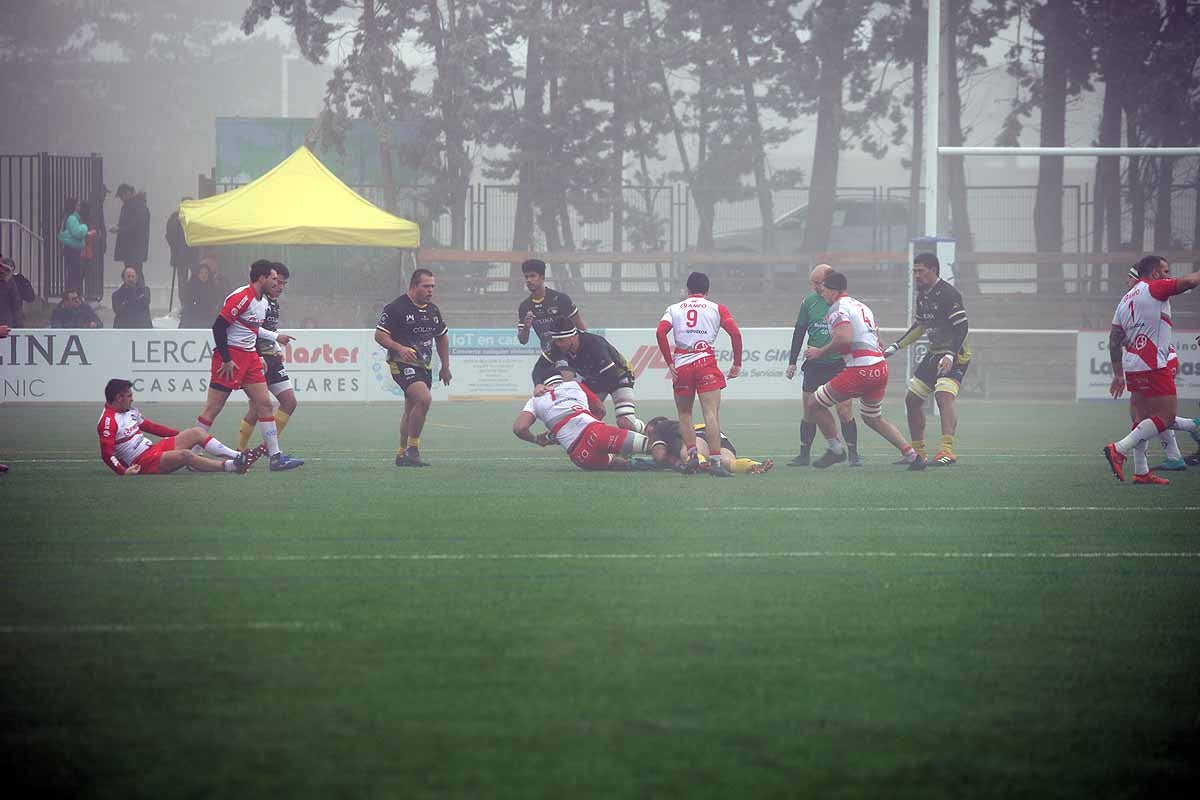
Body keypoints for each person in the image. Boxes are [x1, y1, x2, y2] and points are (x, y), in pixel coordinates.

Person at [804, 271, 925, 469]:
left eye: (824, 289)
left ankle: (835, 449)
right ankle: (913, 456)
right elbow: (878, 339)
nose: (821, 293)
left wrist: (820, 352)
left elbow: (844, 338)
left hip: (860, 370)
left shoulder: (837, 308)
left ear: (834, 291)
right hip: (879, 367)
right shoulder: (861, 306)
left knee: (813, 404)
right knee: (872, 417)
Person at [194, 259, 304, 471]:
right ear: (261, 278)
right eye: (273, 279)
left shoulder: (263, 302)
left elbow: (251, 330)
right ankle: (193, 455)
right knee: (213, 409)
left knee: (264, 405)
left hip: (251, 358)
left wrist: (265, 350)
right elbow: (218, 327)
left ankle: (275, 457)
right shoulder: (241, 297)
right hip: (230, 359)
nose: (277, 283)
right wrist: (226, 359)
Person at [1102, 255, 1200, 484]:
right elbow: (1189, 282)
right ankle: (1119, 448)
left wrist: (1118, 374)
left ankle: (1141, 471)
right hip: (1154, 364)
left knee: (1141, 417)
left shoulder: (1124, 300)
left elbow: (1114, 339)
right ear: (1154, 273)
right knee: (1165, 417)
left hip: (1133, 366)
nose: (1167, 275)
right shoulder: (1153, 288)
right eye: (1165, 271)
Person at [882, 251, 971, 466]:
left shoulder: (949, 294)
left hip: (955, 354)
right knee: (912, 400)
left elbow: (962, 328)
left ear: (933, 270)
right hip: (935, 353)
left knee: (943, 395)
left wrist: (950, 354)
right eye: (914, 271)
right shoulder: (922, 295)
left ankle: (947, 451)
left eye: (920, 271)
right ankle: (918, 454)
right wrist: (896, 346)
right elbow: (920, 326)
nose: (916, 275)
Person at [655, 271, 742, 477]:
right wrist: (736, 363)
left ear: (687, 290)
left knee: (685, 414)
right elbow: (735, 333)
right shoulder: (717, 308)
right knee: (711, 413)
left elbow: (660, 332)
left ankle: (693, 457)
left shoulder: (674, 309)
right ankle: (715, 462)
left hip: (682, 365)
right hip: (705, 363)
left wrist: (669, 362)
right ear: (707, 291)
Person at [99, 378, 261, 476]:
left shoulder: (130, 411)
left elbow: (152, 427)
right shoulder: (108, 421)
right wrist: (123, 471)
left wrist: (182, 435)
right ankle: (232, 467)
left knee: (196, 432)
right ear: (118, 398)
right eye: (129, 396)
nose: (132, 399)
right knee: (185, 456)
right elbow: (107, 454)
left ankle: (238, 456)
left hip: (153, 449)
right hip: (143, 462)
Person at [375, 268, 452, 466]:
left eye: (433, 286)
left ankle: (402, 454)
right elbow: (380, 335)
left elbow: (442, 337)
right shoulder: (396, 308)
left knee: (411, 409)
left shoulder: (432, 310)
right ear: (413, 286)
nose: (431, 291)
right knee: (424, 398)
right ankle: (413, 449)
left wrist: (445, 366)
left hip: (423, 365)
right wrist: (399, 348)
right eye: (426, 286)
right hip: (401, 363)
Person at [786, 263, 861, 466]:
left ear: (829, 281)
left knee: (844, 410)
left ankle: (853, 453)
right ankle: (804, 454)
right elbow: (799, 330)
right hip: (814, 363)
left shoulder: (845, 304)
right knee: (809, 409)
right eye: (813, 283)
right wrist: (792, 361)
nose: (815, 287)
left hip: (838, 362)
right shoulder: (809, 302)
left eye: (818, 283)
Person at [513, 366, 651, 470]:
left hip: (580, 456)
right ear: (560, 378)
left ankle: (628, 461)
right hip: (595, 432)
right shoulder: (575, 385)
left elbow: (520, 428)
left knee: (616, 463)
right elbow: (600, 409)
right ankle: (667, 455)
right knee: (650, 446)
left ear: (542, 384)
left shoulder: (535, 400)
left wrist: (537, 439)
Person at [1122, 265, 1187, 471]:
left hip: (1160, 361)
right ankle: (1173, 456)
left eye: (1129, 278)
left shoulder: (1147, 293)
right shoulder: (1132, 300)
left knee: (1148, 415)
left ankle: (1124, 453)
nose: (1127, 282)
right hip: (1151, 362)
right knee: (1145, 416)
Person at [532, 320, 644, 433]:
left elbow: (611, 376)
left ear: (573, 337)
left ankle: (645, 430)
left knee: (625, 423)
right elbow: (539, 368)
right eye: (555, 340)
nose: (557, 344)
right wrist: (538, 384)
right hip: (594, 379)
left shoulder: (594, 344)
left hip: (620, 377)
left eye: (561, 340)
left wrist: (593, 400)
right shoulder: (557, 346)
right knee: (581, 417)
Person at [238, 262, 299, 453]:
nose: (280, 286)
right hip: (256, 358)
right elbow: (251, 331)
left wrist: (276, 348)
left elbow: (268, 330)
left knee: (289, 401)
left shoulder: (273, 303)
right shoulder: (258, 301)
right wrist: (257, 354)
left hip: (272, 358)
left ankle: (267, 447)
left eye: (283, 283)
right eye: (277, 281)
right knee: (257, 408)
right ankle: (240, 450)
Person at [642, 416, 773, 475]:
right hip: (716, 434)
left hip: (698, 434)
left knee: (688, 452)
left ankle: (703, 465)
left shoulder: (660, 428)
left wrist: (650, 450)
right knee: (728, 462)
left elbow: (659, 456)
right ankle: (753, 465)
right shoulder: (678, 427)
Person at [516, 258, 586, 347]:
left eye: (533, 276)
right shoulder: (524, 307)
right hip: (549, 354)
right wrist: (526, 327)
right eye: (526, 277)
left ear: (542, 277)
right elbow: (523, 341)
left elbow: (581, 328)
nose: (529, 280)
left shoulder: (561, 299)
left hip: (569, 353)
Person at [111, 183, 150, 286]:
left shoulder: (136, 206)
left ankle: (140, 296)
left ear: (127, 193)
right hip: (133, 249)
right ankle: (136, 295)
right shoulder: (136, 205)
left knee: (135, 273)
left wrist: (119, 229)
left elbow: (136, 227)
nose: (121, 199)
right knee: (133, 272)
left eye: (122, 196)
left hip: (134, 249)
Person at [166, 198, 197, 307]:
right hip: (181, 254)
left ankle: (194, 302)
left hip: (193, 254)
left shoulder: (196, 217)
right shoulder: (175, 218)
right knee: (182, 281)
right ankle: (184, 304)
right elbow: (169, 236)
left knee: (196, 278)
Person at [179, 259, 225, 328]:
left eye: (206, 273)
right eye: (201, 273)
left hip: (209, 319)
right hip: (193, 320)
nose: (204, 275)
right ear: (197, 274)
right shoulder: (191, 288)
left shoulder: (213, 288)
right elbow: (188, 305)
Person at [57, 197, 88, 295]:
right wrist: (84, 227)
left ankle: (70, 294)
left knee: (71, 273)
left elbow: (62, 235)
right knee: (75, 274)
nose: (80, 207)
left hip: (69, 250)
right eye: (78, 205)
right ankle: (74, 295)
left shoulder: (66, 217)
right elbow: (77, 233)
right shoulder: (72, 218)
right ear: (73, 206)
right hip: (73, 250)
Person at [0, 256, 34, 328]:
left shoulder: (18, 280)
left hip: (14, 320)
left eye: (10, 266)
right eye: (5, 267)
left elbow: (30, 297)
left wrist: (23, 281)